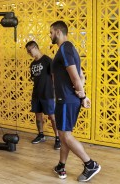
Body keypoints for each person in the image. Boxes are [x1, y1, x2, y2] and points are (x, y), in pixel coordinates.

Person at [50, 21, 101, 182]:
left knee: (64, 136)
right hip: (68, 99)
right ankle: (61, 166)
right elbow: (81, 75)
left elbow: (75, 76)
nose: (50, 35)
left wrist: (83, 96)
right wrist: (82, 95)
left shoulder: (65, 48)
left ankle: (90, 164)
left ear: (58, 32)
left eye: (51, 32)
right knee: (66, 135)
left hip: (66, 100)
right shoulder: (71, 49)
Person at [25, 41, 61, 150]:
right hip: (36, 94)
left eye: (30, 50)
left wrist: (55, 93)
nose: (29, 53)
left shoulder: (47, 60)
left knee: (52, 117)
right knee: (38, 116)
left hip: (48, 94)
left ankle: (58, 138)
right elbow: (34, 78)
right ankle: (41, 134)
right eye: (27, 52)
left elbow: (54, 77)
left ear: (35, 48)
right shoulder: (32, 64)